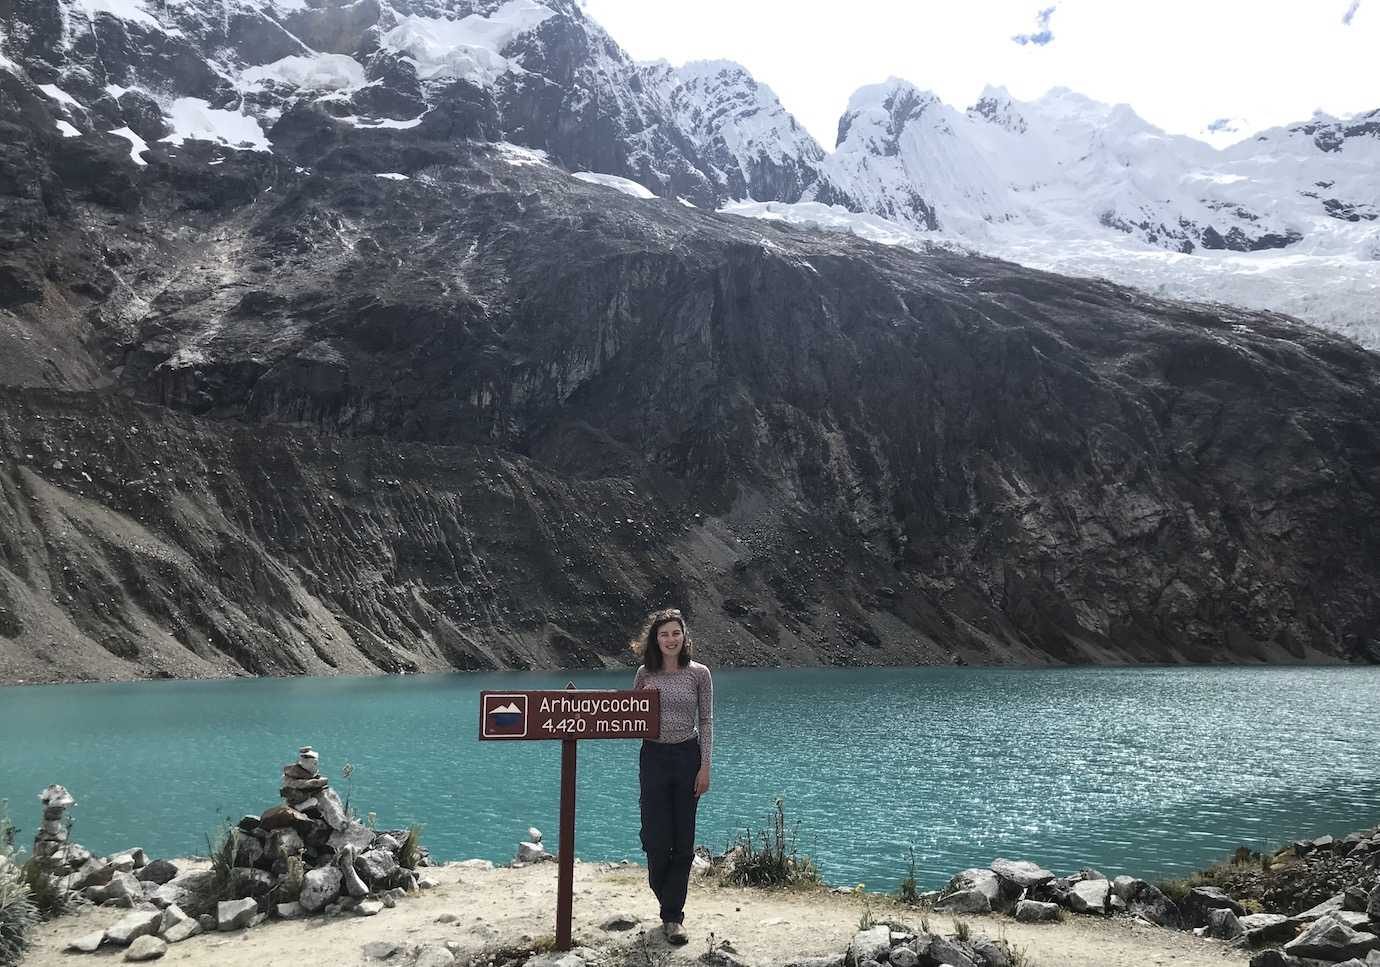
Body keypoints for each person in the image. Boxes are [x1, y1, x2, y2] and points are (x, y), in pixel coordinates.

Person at [630, 607, 713, 946]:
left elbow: (706, 720)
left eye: (675, 633)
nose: (670, 639)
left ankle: (672, 917)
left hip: (687, 756)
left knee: (683, 840)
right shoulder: (643, 674)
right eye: (664, 634)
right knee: (654, 837)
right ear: (655, 638)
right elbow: (631, 716)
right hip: (653, 756)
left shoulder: (699, 674)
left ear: (684, 637)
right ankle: (666, 897)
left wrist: (705, 765)